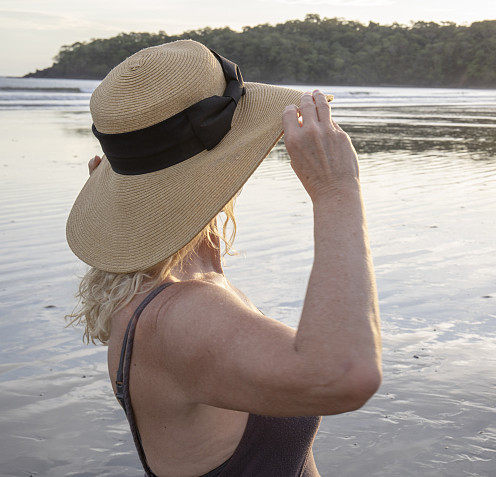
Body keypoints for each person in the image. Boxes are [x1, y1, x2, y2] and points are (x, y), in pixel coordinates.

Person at [64, 40, 381, 476]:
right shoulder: (182, 315)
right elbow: (346, 374)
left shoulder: (163, 289)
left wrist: (145, 204)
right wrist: (336, 191)